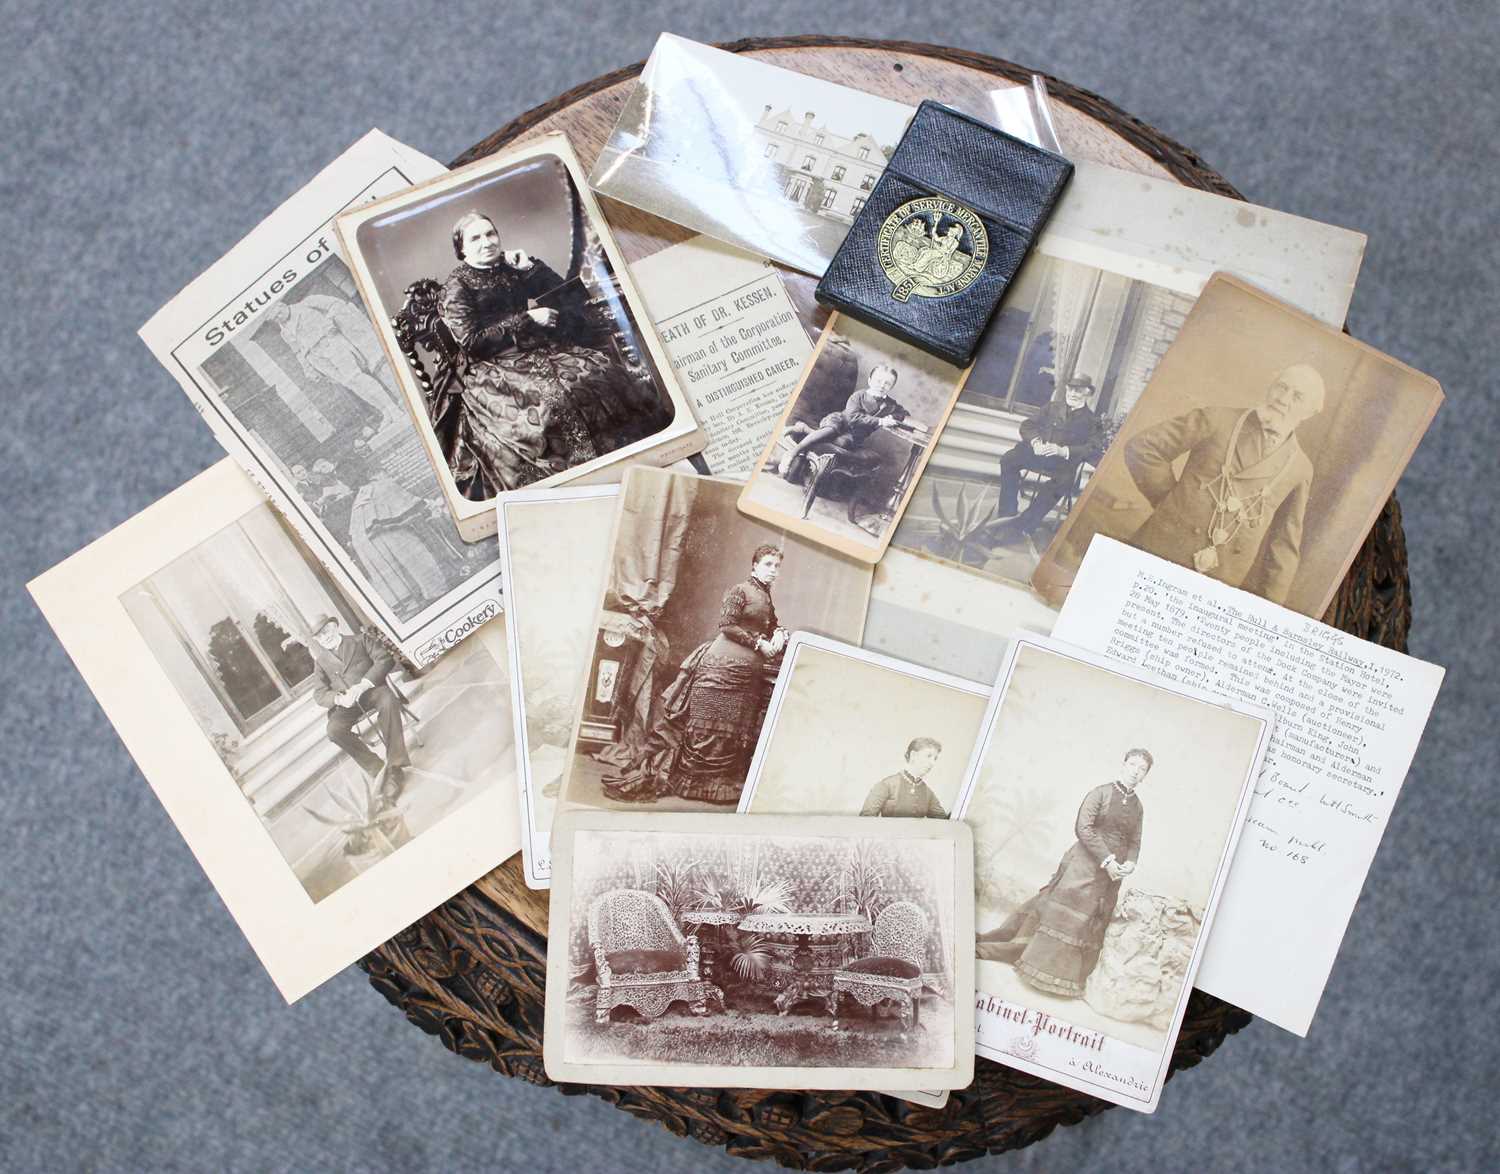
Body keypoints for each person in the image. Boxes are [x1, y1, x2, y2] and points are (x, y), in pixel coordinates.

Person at [438, 211, 666, 499]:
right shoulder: (456, 287)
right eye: (475, 238)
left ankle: (629, 459)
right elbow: (471, 341)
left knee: (600, 371)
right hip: (491, 364)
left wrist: (530, 268)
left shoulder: (509, 266)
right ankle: (582, 475)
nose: (486, 242)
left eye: (490, 234)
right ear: (461, 248)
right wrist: (528, 319)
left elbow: (566, 295)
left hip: (537, 348)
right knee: (552, 399)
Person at [602, 545, 789, 806]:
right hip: (721, 666)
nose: (773, 571)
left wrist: (779, 633)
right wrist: (760, 645)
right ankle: (687, 782)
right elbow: (727, 626)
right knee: (703, 723)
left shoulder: (765, 596)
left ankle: (714, 785)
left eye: (777, 566)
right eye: (768, 564)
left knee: (729, 728)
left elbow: (771, 623)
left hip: (745, 673)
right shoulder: (739, 590)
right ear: (754, 566)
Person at [1121, 364, 1323, 604]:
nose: (1283, 399)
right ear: (1270, 387)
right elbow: (1142, 448)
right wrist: (1170, 503)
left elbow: (1284, 545)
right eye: (1281, 387)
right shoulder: (1217, 419)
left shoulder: (1300, 468)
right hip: (1162, 547)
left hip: (1220, 580)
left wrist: (1271, 608)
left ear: (1310, 412)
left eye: (1297, 396)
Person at [976, 748, 1151, 998]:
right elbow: (1084, 828)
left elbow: (1136, 840)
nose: (1135, 771)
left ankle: (1067, 979)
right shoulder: (1100, 793)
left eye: (1142, 769)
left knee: (1090, 921)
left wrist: (1130, 863)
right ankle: (1035, 967)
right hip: (1083, 866)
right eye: (1132, 764)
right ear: (1123, 765)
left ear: (1145, 775)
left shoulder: (1138, 807)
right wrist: (1108, 859)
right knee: (1063, 915)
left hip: (1111, 879)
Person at [989, 375, 1105, 545]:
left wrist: (1064, 450)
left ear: (1088, 392)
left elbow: (1094, 447)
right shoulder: (1051, 407)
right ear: (1066, 389)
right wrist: (1035, 442)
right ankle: (1007, 514)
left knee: (1063, 482)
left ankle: (1025, 523)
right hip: (1038, 454)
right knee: (1009, 459)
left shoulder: (1093, 420)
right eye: (1071, 389)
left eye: (1079, 390)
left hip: (1063, 463)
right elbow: (1028, 425)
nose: (1073, 393)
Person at [265, 297, 406, 434]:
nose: (278, 317)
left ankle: (393, 408)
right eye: (274, 318)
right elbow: (298, 351)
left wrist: (328, 323)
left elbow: (335, 304)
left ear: (282, 305)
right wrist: (307, 369)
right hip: (316, 358)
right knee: (352, 384)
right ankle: (385, 411)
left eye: (278, 313)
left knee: (356, 376)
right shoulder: (284, 332)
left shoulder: (307, 303)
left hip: (332, 343)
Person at [309, 615, 410, 800]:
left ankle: (395, 766)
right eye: (319, 637)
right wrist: (339, 699)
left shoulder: (360, 640)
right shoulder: (321, 662)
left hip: (372, 692)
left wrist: (362, 685)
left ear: (336, 626)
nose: (325, 638)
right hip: (348, 704)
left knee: (388, 701)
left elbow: (384, 659)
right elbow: (319, 693)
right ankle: (378, 770)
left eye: (326, 631)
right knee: (334, 730)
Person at [778, 363, 909, 482]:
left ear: (892, 386)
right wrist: (880, 421)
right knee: (832, 430)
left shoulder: (890, 404)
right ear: (870, 380)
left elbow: (903, 413)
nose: (882, 385)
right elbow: (853, 417)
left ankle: (805, 429)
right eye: (878, 380)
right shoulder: (858, 396)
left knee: (842, 443)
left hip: (854, 434)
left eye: (887, 383)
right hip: (840, 421)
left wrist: (893, 417)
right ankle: (793, 452)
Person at [860, 736, 949, 818]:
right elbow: (866, 820)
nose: (932, 763)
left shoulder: (928, 792)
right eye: (928, 756)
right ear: (913, 755)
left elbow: (943, 821)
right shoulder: (887, 785)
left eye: (935, 758)